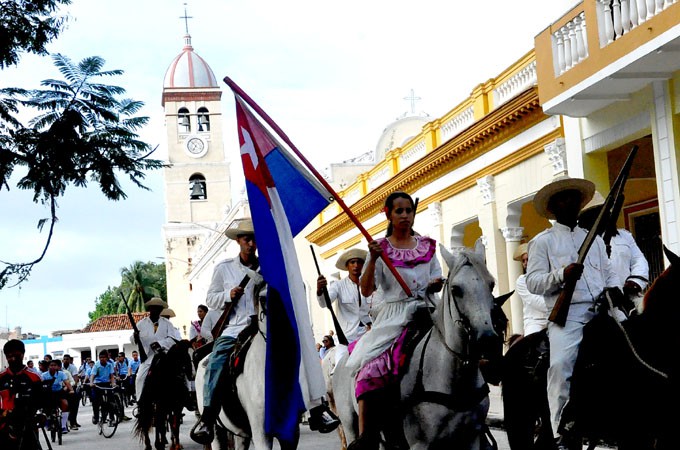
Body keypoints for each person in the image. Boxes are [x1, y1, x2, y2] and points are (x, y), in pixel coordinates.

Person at [191, 219, 339, 444]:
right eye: (246, 239)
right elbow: (211, 298)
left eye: (254, 239)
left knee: (301, 355)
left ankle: (317, 408)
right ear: (238, 241)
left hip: (267, 327)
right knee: (217, 361)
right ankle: (208, 417)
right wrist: (227, 295)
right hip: (236, 328)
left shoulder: (269, 267)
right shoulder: (224, 268)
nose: (251, 243)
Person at [525, 176, 619, 450]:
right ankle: (560, 430)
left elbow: (608, 273)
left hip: (603, 309)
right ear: (553, 207)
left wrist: (615, 289)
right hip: (570, 315)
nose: (571, 202)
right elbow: (533, 282)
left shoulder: (594, 240)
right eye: (564, 198)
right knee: (561, 365)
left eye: (574, 197)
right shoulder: (543, 242)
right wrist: (560, 275)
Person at [347, 191, 443, 449]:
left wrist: (434, 284)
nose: (404, 215)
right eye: (398, 211)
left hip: (428, 308)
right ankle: (367, 435)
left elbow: (437, 276)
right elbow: (366, 290)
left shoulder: (427, 246)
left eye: (408, 210)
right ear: (388, 214)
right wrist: (374, 258)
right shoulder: (379, 248)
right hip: (395, 316)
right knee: (369, 366)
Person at [578, 191, 650, 314]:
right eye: (596, 212)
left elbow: (639, 260)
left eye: (604, 211)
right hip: (597, 305)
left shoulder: (625, 236)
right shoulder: (580, 242)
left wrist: (635, 282)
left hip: (629, 298)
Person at [316, 248, 372, 364]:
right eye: (352, 262)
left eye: (359, 262)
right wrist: (320, 290)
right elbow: (325, 303)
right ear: (347, 266)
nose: (356, 265)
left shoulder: (370, 284)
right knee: (338, 371)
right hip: (347, 338)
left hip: (370, 335)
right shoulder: (338, 286)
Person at [131, 297, 182, 404]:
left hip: (164, 357)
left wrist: (160, 344)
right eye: (154, 308)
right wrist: (135, 337)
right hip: (148, 359)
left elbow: (173, 339)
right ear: (150, 309)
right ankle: (140, 402)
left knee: (179, 376)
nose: (156, 310)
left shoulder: (167, 323)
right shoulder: (141, 323)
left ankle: (182, 400)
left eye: (158, 308)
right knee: (139, 378)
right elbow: (132, 340)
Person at [0, 339, 42, 450]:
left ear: (23, 355)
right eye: (9, 356)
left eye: (16, 356)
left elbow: (41, 401)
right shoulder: (1, 377)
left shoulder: (35, 377)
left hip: (28, 426)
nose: (13, 359)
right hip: (4, 427)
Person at [513, 243, 548, 336]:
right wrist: (556, 307)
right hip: (534, 322)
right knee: (532, 342)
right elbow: (535, 301)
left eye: (528, 259)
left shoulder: (547, 276)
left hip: (552, 319)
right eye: (523, 260)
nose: (525, 263)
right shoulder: (522, 281)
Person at [42, 359, 74, 434]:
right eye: (51, 365)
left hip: (59, 392)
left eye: (55, 365)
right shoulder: (44, 375)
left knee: (65, 404)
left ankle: (63, 426)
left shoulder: (61, 374)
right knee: (46, 407)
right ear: (48, 367)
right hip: (48, 393)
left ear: (58, 367)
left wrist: (71, 390)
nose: (53, 367)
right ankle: (48, 421)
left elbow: (67, 382)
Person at [89, 350, 115, 426]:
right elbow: (92, 375)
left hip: (107, 383)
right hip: (98, 384)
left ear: (107, 358)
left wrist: (113, 384)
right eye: (100, 357)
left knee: (111, 401)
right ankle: (96, 416)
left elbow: (111, 376)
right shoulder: (96, 365)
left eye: (104, 357)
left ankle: (112, 418)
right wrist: (91, 383)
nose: (102, 359)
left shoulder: (110, 365)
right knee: (96, 401)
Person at [62, 354, 81, 430]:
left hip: (71, 387)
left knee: (76, 400)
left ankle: (73, 421)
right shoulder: (59, 369)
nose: (66, 360)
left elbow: (75, 378)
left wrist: (73, 387)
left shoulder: (72, 368)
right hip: (60, 389)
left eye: (67, 359)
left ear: (70, 360)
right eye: (64, 359)